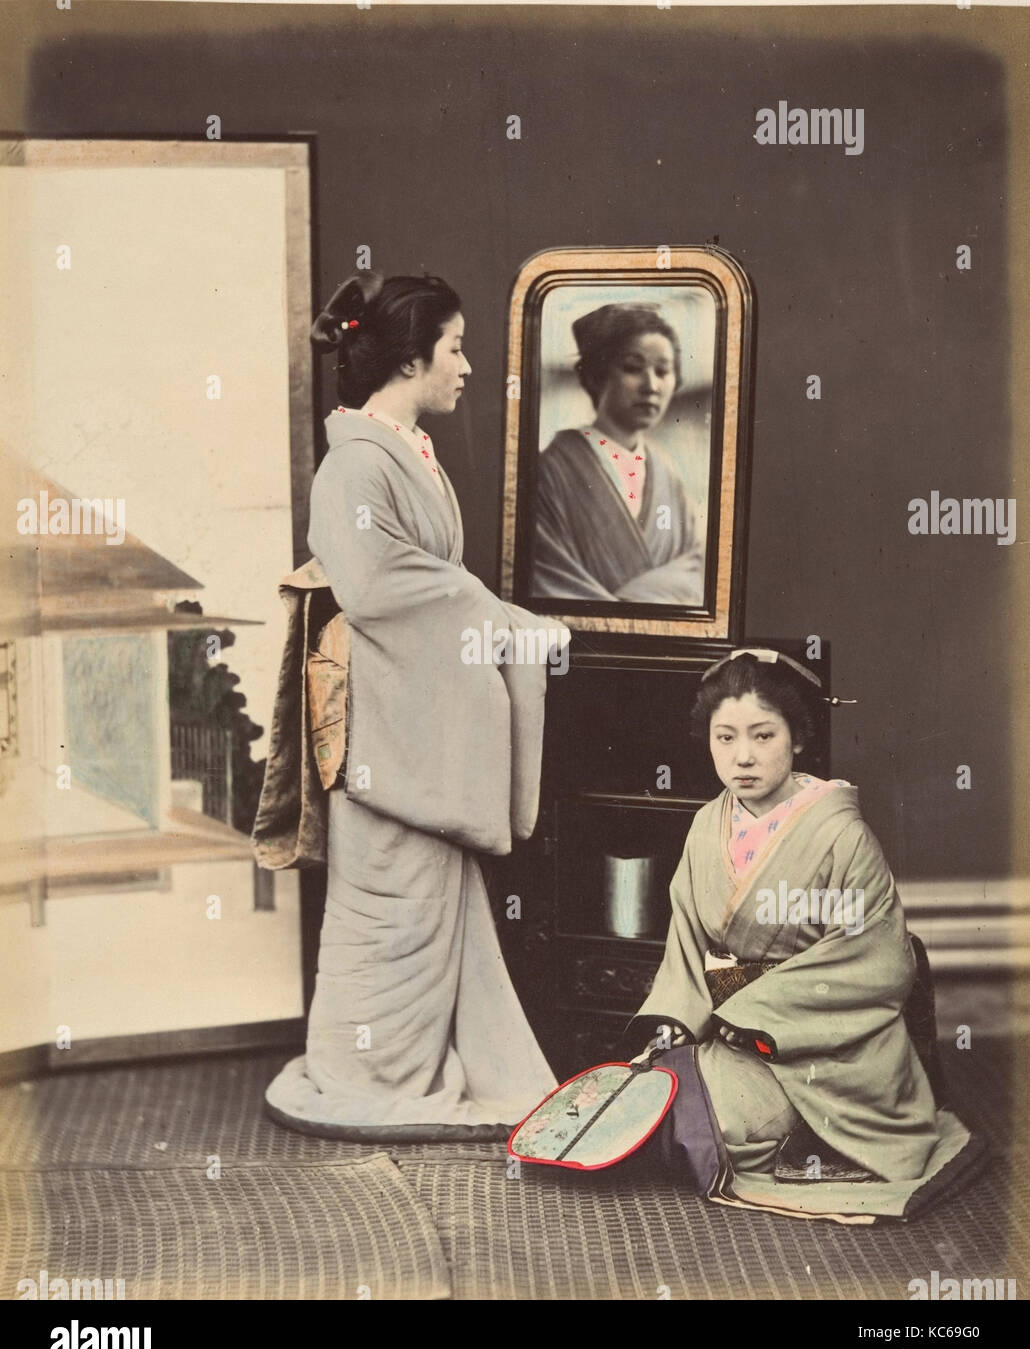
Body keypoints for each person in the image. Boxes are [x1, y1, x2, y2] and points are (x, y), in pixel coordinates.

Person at [265, 271, 560, 1139]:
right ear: (408, 357)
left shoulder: (403, 448)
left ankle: (421, 1060)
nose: (468, 366)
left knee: (430, 901)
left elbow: (421, 584)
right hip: (385, 733)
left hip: (417, 720)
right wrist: (492, 613)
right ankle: (367, 1071)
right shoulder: (354, 465)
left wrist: (480, 612)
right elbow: (378, 587)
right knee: (385, 907)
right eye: (457, 347)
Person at [620, 649, 985, 1221]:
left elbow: (879, 955)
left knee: (712, 1124)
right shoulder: (704, 826)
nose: (743, 756)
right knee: (654, 1094)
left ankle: (816, 1136)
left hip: (826, 1045)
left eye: (763, 736)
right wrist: (676, 1015)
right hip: (731, 1025)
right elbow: (688, 940)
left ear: (797, 739)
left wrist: (755, 1010)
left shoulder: (840, 833)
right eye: (725, 738)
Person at [531, 302, 705, 605]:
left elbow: (696, 567)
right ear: (598, 375)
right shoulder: (552, 469)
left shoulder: (667, 474)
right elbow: (546, 575)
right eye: (633, 368)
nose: (651, 385)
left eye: (663, 371)